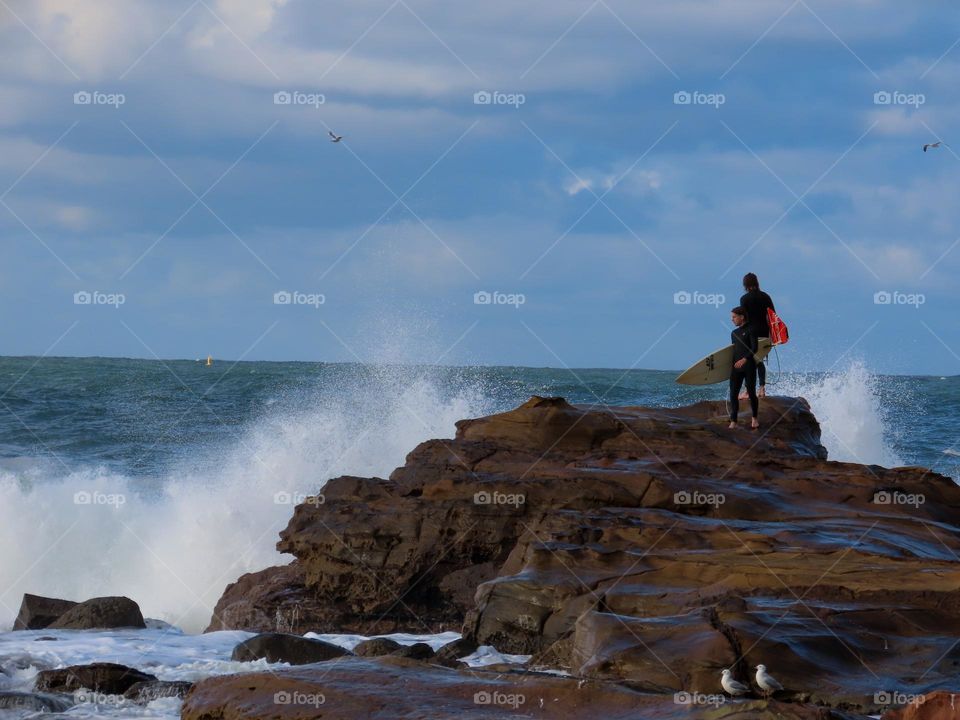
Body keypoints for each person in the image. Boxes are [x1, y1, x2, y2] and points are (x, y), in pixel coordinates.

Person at [739, 272, 776, 397]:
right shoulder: (766, 297)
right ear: (756, 282)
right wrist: (773, 335)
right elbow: (772, 316)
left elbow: (743, 318)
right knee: (759, 359)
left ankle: (748, 391)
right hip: (764, 331)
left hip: (750, 333)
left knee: (749, 361)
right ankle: (762, 388)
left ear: (745, 284)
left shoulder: (744, 299)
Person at [729, 306, 759, 430]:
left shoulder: (751, 330)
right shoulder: (734, 333)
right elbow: (733, 350)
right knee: (733, 394)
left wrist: (744, 359)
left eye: (734, 317)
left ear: (742, 317)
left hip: (749, 366)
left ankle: (754, 418)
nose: (732, 319)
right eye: (732, 317)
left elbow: (754, 348)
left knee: (751, 392)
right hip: (736, 367)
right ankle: (733, 421)